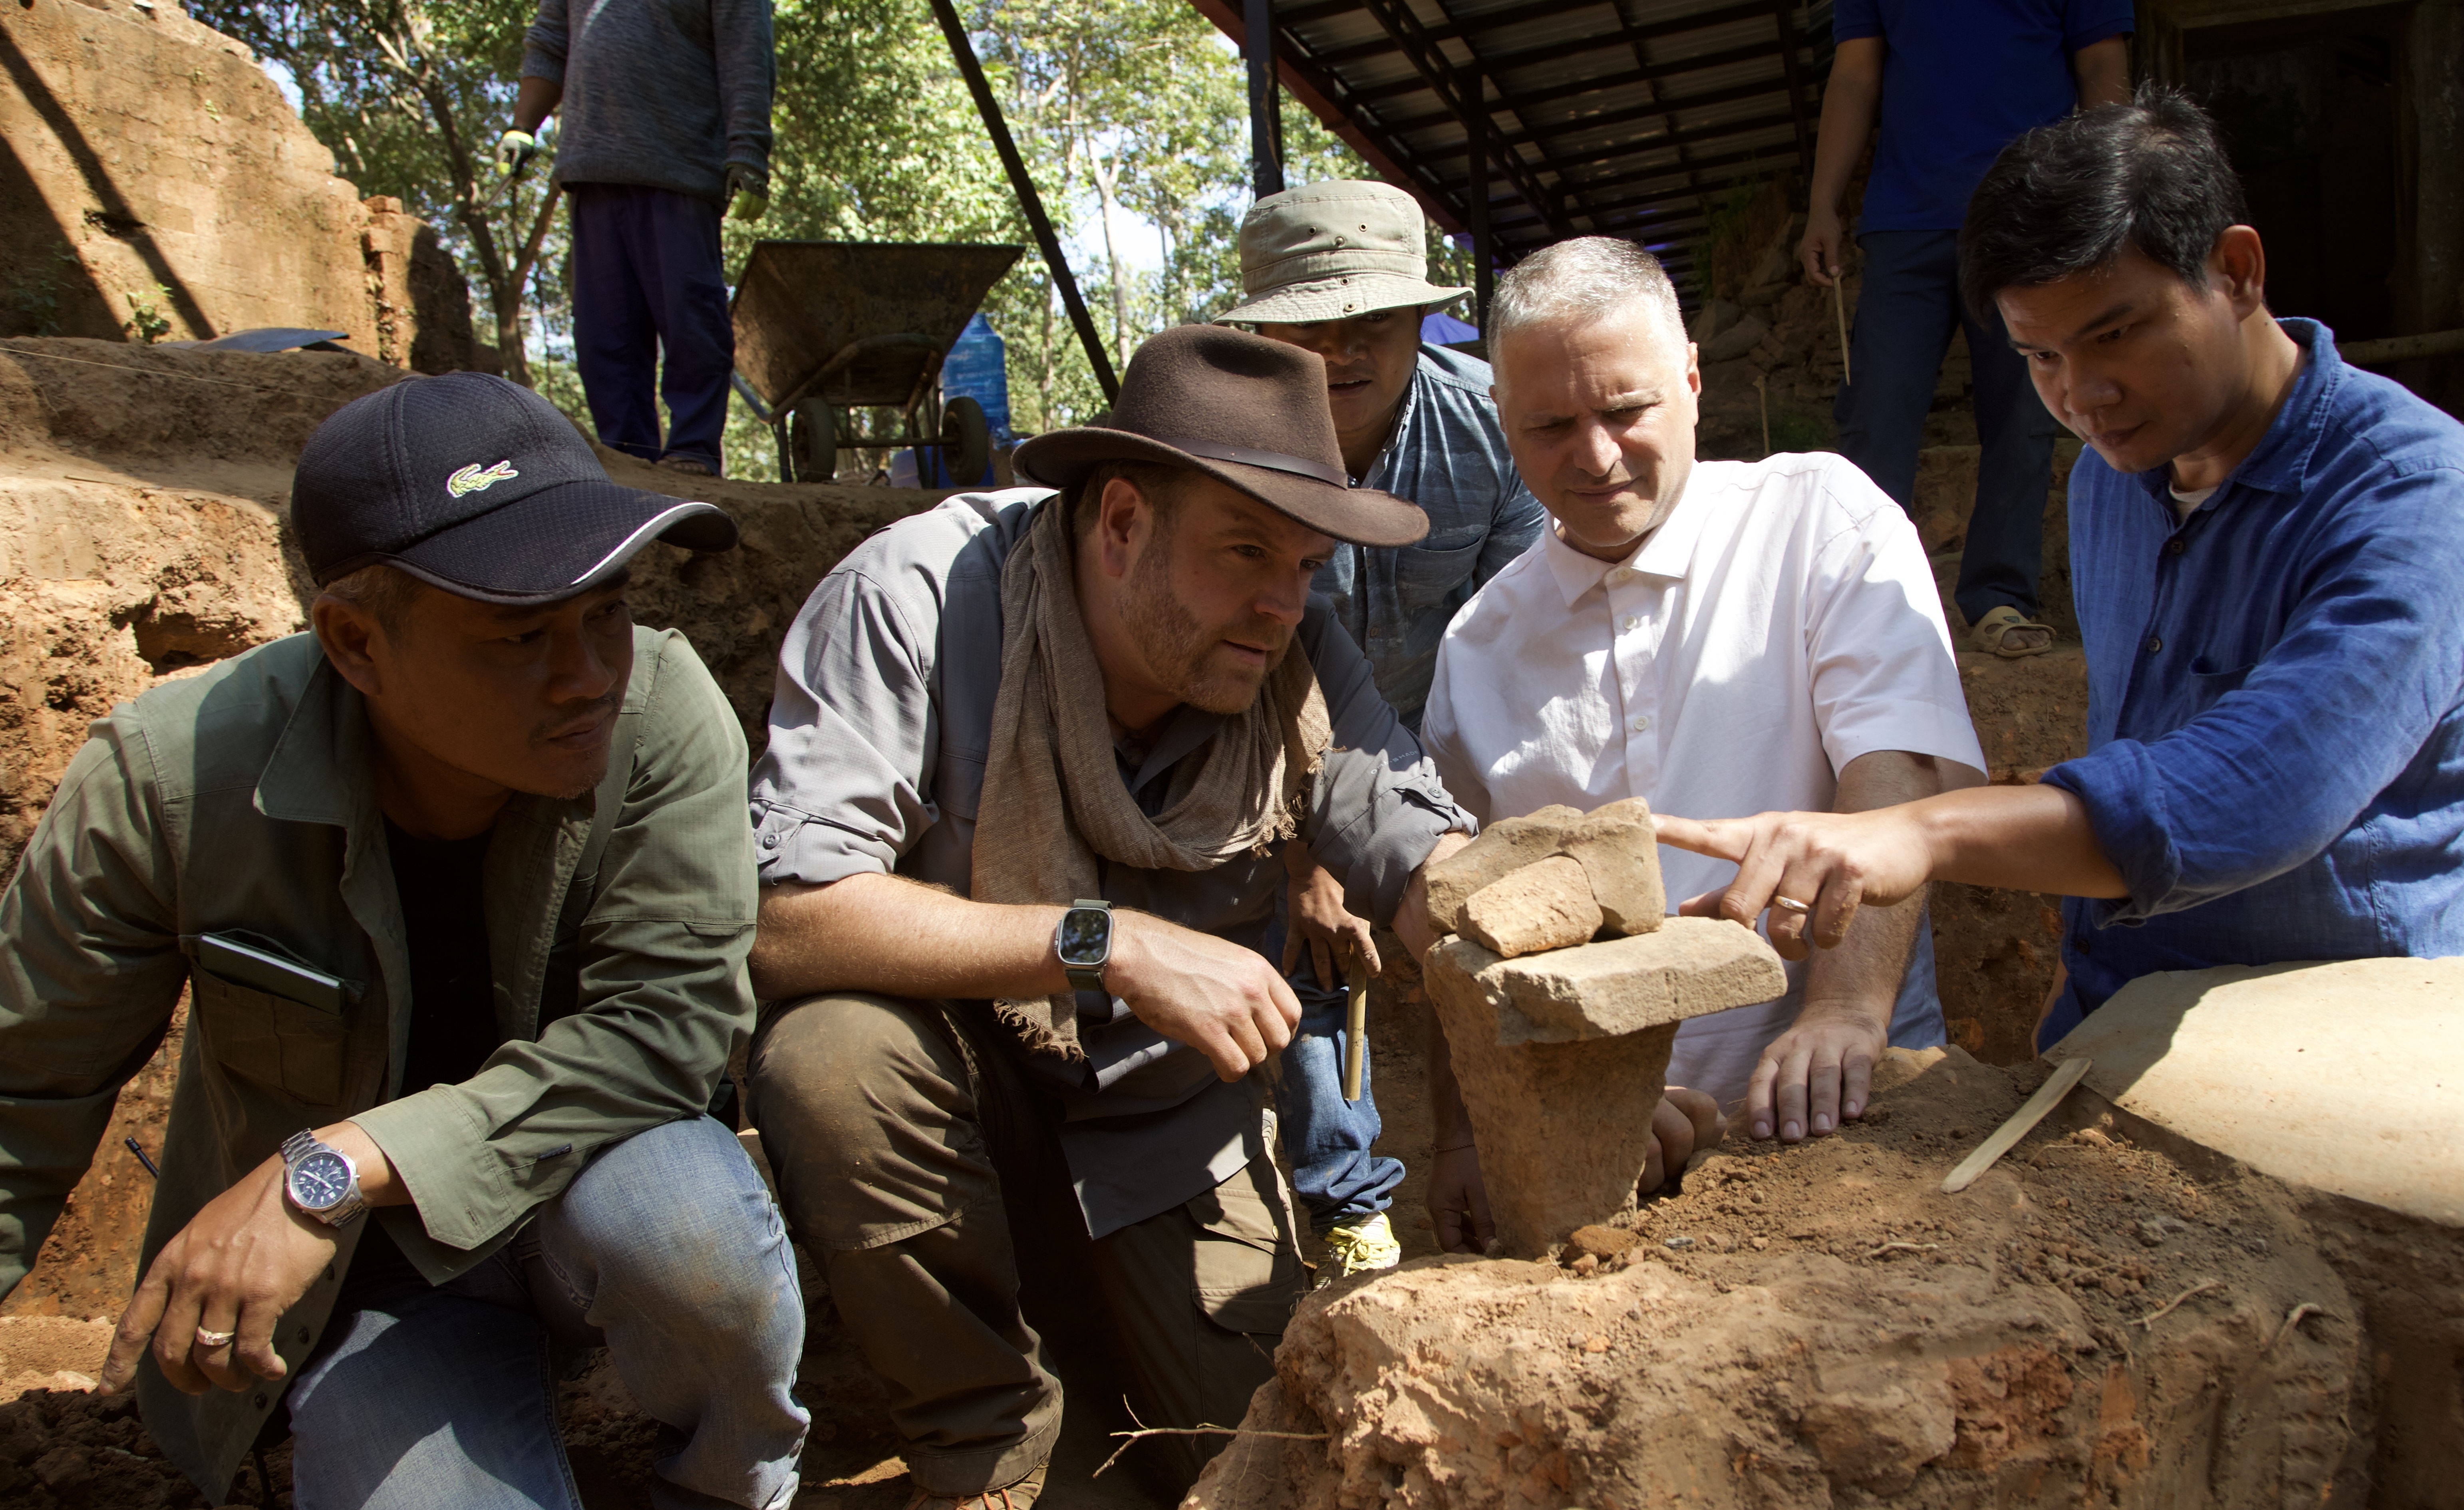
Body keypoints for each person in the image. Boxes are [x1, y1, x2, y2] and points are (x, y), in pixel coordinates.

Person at [0, 372, 808, 1509]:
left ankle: (726, 1488)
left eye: (608, 612)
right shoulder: (170, 783)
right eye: (522, 633)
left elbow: (667, 1033)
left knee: (688, 1230)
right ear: (354, 640)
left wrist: (327, 1169)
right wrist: (338, 1202)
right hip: (370, 1289)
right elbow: (19, 1102)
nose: (588, 675)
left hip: (594, 1206)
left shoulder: (664, 717)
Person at [742, 324, 1471, 1506]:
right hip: (957, 1101)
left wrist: (1510, 909)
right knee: (833, 1060)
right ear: (1122, 522)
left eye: (1304, 565)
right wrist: (1107, 942)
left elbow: (1404, 831)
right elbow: (788, 919)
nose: (1282, 603)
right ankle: (983, 1444)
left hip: (1161, 1128)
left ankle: (1096, 1351)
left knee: (1270, 1468)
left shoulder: (1290, 647)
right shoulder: (919, 600)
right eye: (1244, 553)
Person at [1661, 89, 2464, 1054]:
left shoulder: (2418, 494)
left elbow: (2263, 788)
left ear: (2235, 271)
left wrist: (1921, 832)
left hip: (2344, 1045)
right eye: (2039, 356)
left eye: (2116, 335)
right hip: (2125, 1016)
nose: (2083, 396)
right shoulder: (2118, 476)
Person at [1420, 236, 1990, 1256]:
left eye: (1625, 410)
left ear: (1691, 379)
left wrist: (1847, 1015)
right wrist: (1518, 1126)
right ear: (1505, 421)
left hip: (1850, 1116)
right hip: (1620, 1167)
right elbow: (1475, 926)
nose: (1593, 456)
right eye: (1550, 425)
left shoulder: (1823, 521)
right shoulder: (1479, 650)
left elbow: (1890, 775)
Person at [1215, 179, 1545, 1277]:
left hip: (1436, 733)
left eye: (1373, 324)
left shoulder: (1497, 436)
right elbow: (1242, 682)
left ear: (1421, 323)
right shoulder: (1220, 450)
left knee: (1480, 908)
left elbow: (1514, 645)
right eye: (1307, 325)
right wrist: (1308, 854)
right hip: (1252, 740)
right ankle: (1343, 1197)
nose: (1341, 349)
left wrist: (1447, 829)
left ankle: (1491, 1147)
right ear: (1260, 331)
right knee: (1299, 933)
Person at [1801, 0, 2132, 657]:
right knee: (1877, 415)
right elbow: (1855, 76)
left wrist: (2113, 203)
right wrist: (1823, 204)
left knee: (2024, 414)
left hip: (2028, 218)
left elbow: (2102, 66)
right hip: (1906, 221)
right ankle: (1868, 609)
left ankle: (2000, 600)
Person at [504, 0, 775, 475]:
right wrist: (522, 126)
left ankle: (692, 450)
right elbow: (551, 43)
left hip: (679, 167)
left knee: (691, 320)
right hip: (592, 169)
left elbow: (746, 52)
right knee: (604, 337)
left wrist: (748, 151)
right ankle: (628, 458)